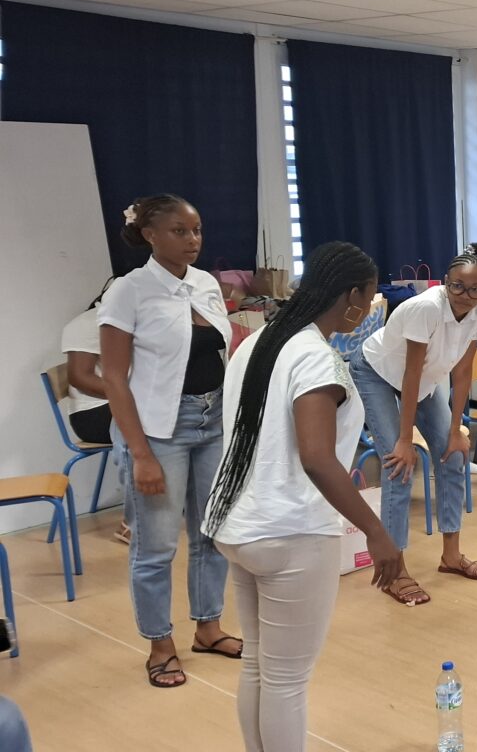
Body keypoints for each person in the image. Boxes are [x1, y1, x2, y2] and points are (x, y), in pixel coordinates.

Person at [203, 242, 404, 751]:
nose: (370, 308)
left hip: (239, 522)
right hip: (290, 532)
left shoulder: (258, 342)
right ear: (352, 296)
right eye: (370, 297)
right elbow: (317, 457)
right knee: (287, 680)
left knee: (259, 665)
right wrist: (377, 533)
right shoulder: (316, 357)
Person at [98, 194, 242, 688]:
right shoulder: (128, 290)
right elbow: (114, 378)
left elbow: (219, 350)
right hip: (160, 430)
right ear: (150, 235)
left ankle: (208, 628)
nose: (193, 240)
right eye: (180, 231)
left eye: (197, 230)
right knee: (156, 546)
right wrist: (140, 453)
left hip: (213, 419)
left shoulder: (204, 283)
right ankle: (160, 644)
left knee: (212, 533)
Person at [352, 246, 477, 606]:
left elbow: (463, 370)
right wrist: (404, 441)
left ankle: (451, 556)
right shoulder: (426, 308)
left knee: (453, 456)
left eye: (475, 289)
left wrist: (455, 430)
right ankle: (394, 572)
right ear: (445, 282)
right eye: (457, 286)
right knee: (398, 466)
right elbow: (410, 373)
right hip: (377, 372)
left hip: (425, 380)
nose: (465, 295)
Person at [63, 277, 131, 543]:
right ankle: (133, 520)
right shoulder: (84, 325)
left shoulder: (134, 323)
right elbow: (80, 377)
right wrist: (130, 397)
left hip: (121, 404)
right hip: (92, 413)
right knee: (151, 426)